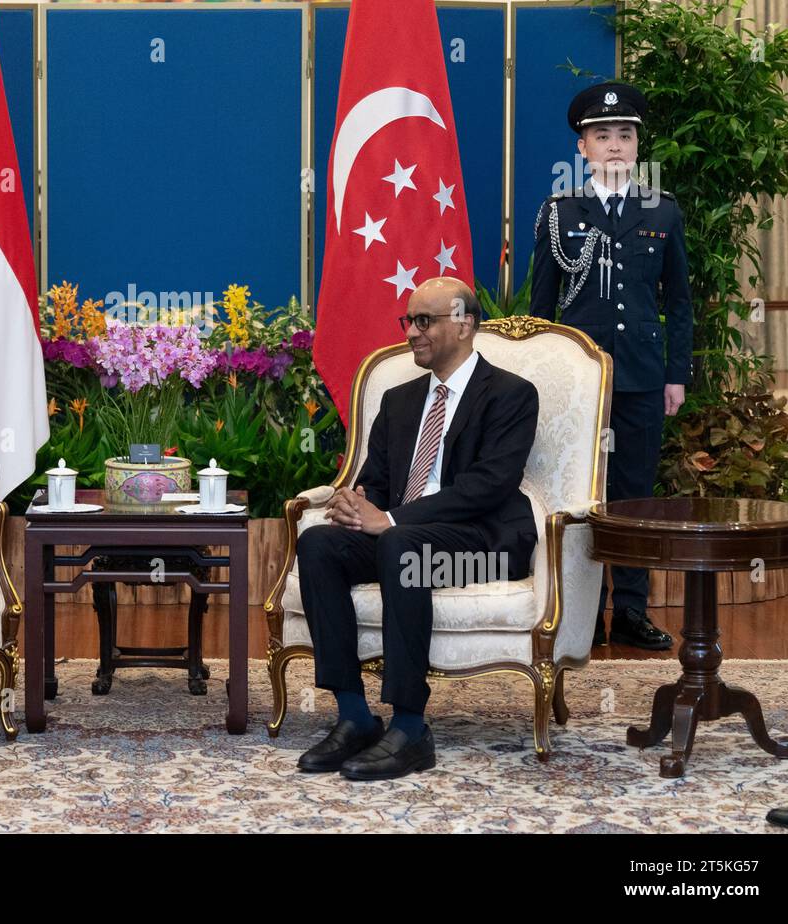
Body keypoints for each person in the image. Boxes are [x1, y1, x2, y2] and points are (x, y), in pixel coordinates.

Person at [295, 277, 539, 781]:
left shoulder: (512, 395)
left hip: (482, 546)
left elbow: (489, 487)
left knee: (400, 543)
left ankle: (410, 728)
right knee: (318, 542)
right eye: (408, 321)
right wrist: (356, 503)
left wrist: (390, 520)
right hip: (405, 540)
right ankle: (355, 716)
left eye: (424, 321)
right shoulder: (400, 400)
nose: (411, 332)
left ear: (465, 323)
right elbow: (377, 483)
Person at [531, 83, 693, 650]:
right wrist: (542, 378)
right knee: (580, 492)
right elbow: (541, 308)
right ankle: (580, 610)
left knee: (634, 495)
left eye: (625, 135)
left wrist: (677, 375)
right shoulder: (559, 212)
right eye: (603, 136)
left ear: (637, 144)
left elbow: (678, 302)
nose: (616, 146)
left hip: (643, 379)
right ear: (583, 148)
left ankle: (628, 611)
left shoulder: (663, 210)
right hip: (580, 382)